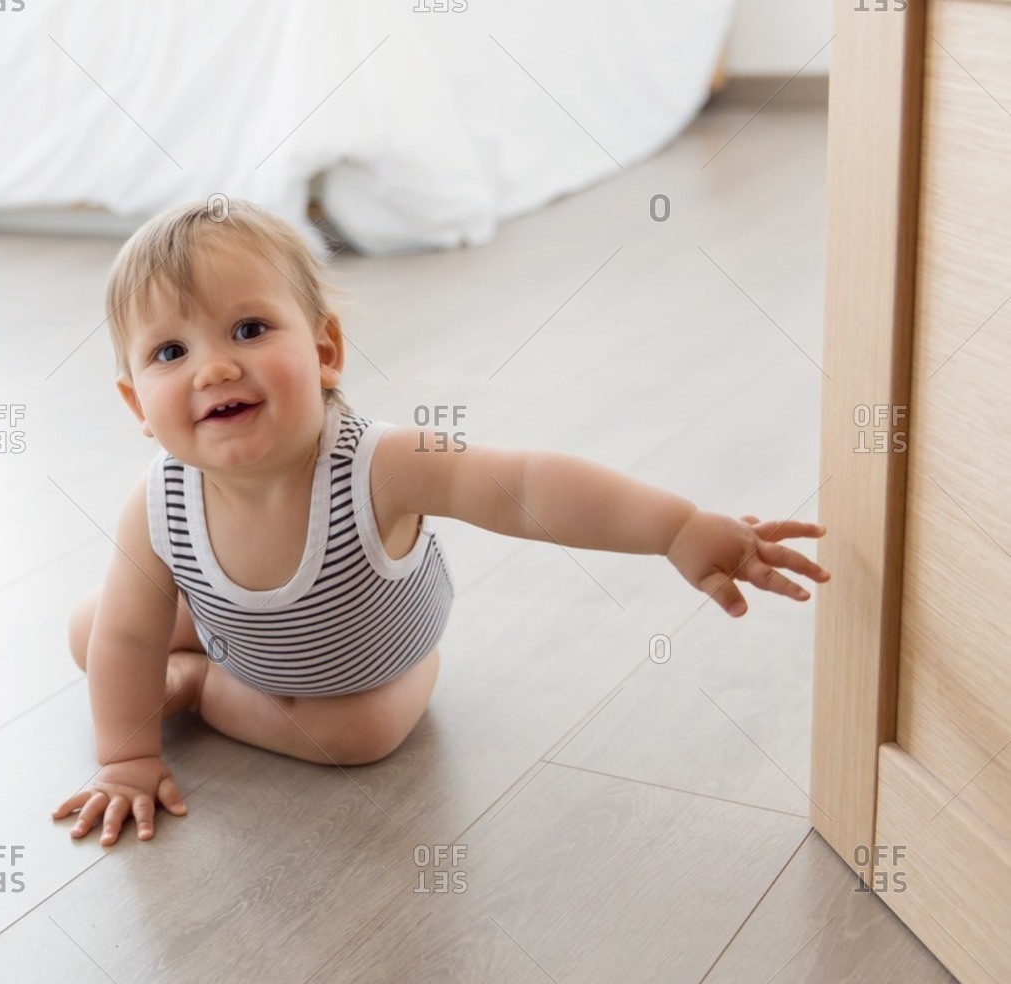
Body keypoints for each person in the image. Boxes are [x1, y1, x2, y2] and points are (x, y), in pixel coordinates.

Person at [52, 198, 830, 846]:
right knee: (97, 631)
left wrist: (677, 526)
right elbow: (125, 640)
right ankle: (202, 667)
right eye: (170, 352)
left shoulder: (381, 463)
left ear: (325, 350)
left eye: (249, 331)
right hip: (240, 627)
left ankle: (201, 687)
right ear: (136, 408)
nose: (214, 368)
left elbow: (525, 484)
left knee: (358, 737)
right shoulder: (156, 503)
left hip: (362, 668)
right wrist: (124, 760)